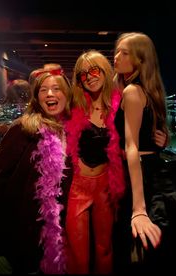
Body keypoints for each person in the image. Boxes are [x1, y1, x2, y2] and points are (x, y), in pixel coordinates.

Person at [0, 67, 72, 274]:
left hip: (59, 233)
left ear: (67, 94)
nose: (50, 94)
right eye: (43, 90)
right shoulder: (22, 129)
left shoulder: (71, 132)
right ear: (37, 98)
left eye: (56, 88)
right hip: (23, 233)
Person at [113, 32, 176, 273]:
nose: (116, 57)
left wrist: (138, 209)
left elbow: (131, 146)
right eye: (117, 51)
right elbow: (151, 135)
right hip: (156, 172)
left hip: (142, 177)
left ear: (140, 59)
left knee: (140, 248)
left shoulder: (132, 91)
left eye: (125, 53)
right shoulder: (149, 90)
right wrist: (161, 142)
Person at [64, 50, 126, 274]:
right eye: (83, 74)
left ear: (105, 71)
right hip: (78, 187)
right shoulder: (74, 106)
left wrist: (160, 140)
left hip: (105, 187)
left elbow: (140, 134)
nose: (89, 77)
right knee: (78, 255)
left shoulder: (120, 106)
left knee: (104, 249)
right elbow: (46, 113)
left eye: (93, 70)